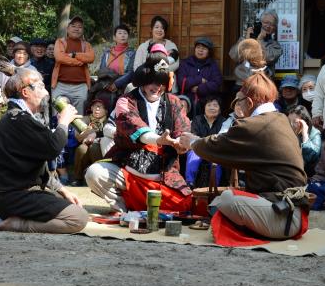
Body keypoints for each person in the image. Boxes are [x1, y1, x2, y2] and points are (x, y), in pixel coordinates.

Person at [179, 72, 309, 240]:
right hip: (291, 212)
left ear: (248, 102)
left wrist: (192, 142)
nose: (236, 107)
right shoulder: (281, 119)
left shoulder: (253, 125)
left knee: (226, 199)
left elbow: (218, 146)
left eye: (238, 101)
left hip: (283, 216)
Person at [0, 68, 88, 233]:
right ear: (26, 92)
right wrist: (64, 122)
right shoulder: (18, 119)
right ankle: (18, 224)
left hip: (12, 195)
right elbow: (53, 147)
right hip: (12, 196)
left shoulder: (19, 117)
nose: (46, 92)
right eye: (41, 87)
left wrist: (62, 190)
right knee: (78, 218)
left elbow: (38, 165)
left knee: (67, 203)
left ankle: (8, 216)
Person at [85, 55, 191, 213]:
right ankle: (122, 206)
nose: (157, 87)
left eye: (161, 83)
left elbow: (182, 130)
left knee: (184, 207)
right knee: (94, 173)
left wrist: (181, 144)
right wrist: (159, 140)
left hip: (163, 174)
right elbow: (134, 126)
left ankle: (141, 206)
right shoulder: (126, 101)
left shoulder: (174, 102)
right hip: (128, 170)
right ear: (142, 81)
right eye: (152, 82)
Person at [52, 16, 95, 115]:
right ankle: (58, 131)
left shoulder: (86, 45)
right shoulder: (60, 42)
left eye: (80, 27)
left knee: (78, 117)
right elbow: (59, 57)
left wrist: (75, 55)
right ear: (67, 29)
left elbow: (91, 58)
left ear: (83, 30)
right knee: (58, 113)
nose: (76, 29)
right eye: (73, 26)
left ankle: (76, 132)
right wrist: (79, 61)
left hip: (80, 86)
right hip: (60, 85)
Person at [185, 96, 226, 188]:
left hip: (214, 150)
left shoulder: (223, 121)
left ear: (219, 109)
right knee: (192, 152)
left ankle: (216, 186)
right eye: (209, 105)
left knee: (217, 160)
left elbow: (222, 139)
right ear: (204, 108)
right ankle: (189, 182)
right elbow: (193, 136)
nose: (212, 107)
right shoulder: (197, 120)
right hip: (199, 148)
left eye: (215, 105)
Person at [176, 37, 223, 117]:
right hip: (188, 98)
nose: (200, 50)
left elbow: (217, 83)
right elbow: (181, 81)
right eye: (198, 48)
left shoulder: (212, 65)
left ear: (209, 52)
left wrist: (199, 89)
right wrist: (199, 79)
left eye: (204, 48)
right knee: (182, 105)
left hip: (206, 98)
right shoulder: (186, 63)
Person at [229, 9, 282, 77]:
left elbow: (266, 58)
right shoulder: (248, 38)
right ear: (260, 23)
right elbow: (233, 56)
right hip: (243, 82)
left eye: (272, 24)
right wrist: (246, 40)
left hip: (262, 83)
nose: (268, 26)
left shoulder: (276, 46)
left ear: (274, 28)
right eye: (266, 22)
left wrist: (260, 40)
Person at [70, 98, 109, 187]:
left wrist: (94, 134)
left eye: (100, 107)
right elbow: (78, 137)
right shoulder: (85, 119)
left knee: (94, 147)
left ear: (106, 111)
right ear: (91, 108)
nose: (97, 109)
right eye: (95, 106)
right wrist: (92, 132)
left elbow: (109, 133)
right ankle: (78, 178)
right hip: (85, 144)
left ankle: (99, 178)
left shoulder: (108, 121)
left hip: (101, 147)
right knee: (81, 149)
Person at [0, 42, 37, 109]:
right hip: (5, 104)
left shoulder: (32, 70)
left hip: (26, 106)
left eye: (25, 54)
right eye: (19, 53)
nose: (21, 56)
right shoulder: (5, 67)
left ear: (28, 56)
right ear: (14, 54)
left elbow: (36, 89)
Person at [98, 24, 136, 95]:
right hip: (106, 85)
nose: (123, 35)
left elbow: (131, 72)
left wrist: (116, 84)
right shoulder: (107, 53)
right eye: (120, 33)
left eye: (125, 33)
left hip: (123, 86)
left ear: (128, 37)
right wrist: (106, 85)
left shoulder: (132, 53)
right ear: (114, 37)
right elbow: (101, 71)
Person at [287, 105, 322, 176]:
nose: (291, 125)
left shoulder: (315, 133)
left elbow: (312, 156)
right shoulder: (287, 132)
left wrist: (305, 135)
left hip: (308, 173)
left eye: (295, 122)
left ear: (304, 122)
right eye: (289, 121)